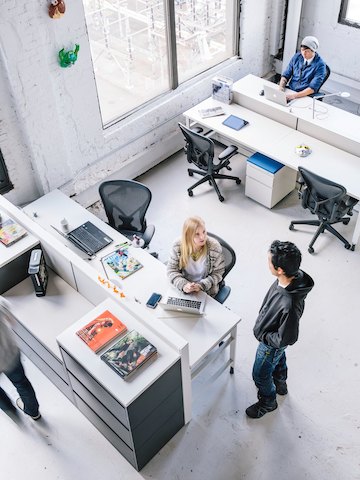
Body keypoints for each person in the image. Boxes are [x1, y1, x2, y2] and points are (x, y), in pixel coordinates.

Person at [246, 240, 314, 419]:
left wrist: (265, 335)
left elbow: (287, 338)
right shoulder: (285, 280)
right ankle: (280, 383)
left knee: (260, 374)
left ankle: (268, 401)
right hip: (273, 334)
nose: (267, 263)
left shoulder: (289, 304)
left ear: (280, 269)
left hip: (270, 344)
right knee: (279, 357)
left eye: (269, 261)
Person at [0, 297, 41, 420]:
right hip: (9, 354)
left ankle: (10, 410)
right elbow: (12, 321)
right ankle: (33, 412)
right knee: (21, 383)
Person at [167, 216, 225, 298]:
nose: (202, 237)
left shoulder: (214, 247)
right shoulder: (177, 245)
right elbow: (171, 270)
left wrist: (201, 285)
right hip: (183, 288)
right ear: (188, 236)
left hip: (205, 291)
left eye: (204, 232)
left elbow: (218, 273)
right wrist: (184, 285)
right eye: (197, 234)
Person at [279, 36, 327, 101]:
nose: (304, 53)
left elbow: (312, 88)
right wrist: (281, 88)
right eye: (302, 50)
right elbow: (286, 75)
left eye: (307, 51)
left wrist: (294, 96)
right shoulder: (297, 57)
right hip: (291, 91)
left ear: (313, 51)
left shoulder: (320, 65)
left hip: (305, 96)